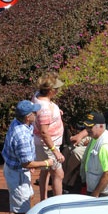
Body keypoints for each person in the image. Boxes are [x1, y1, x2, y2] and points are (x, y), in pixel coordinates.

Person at [1, 99, 56, 214]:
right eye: (33, 112)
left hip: (16, 169)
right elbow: (26, 163)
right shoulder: (22, 136)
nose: (36, 113)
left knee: (26, 200)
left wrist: (29, 163)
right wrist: (46, 163)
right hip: (18, 173)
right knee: (17, 210)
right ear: (27, 117)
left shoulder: (20, 123)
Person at [32, 73, 66, 203]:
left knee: (45, 171)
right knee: (58, 174)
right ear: (50, 90)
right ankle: (58, 205)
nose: (58, 91)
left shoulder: (37, 95)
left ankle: (43, 199)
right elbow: (44, 132)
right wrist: (55, 151)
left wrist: (57, 111)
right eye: (56, 89)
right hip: (48, 145)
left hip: (40, 143)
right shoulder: (45, 109)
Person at [79, 112, 108, 198]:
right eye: (86, 126)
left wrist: (95, 193)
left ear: (101, 126)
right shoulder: (95, 138)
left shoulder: (105, 145)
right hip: (98, 191)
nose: (87, 129)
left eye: (90, 127)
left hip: (106, 194)